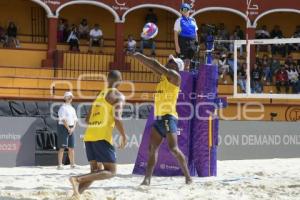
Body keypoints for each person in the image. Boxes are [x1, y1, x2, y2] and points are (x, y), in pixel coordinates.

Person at [132, 52, 192, 186]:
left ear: (177, 67)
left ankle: (188, 176)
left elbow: (154, 64)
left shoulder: (175, 77)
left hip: (169, 116)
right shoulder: (164, 78)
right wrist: (139, 59)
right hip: (158, 117)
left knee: (173, 148)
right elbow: (152, 66)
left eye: (172, 62)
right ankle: (147, 179)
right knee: (152, 149)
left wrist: (139, 56)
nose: (169, 62)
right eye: (169, 61)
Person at [69, 70, 127, 198]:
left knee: (94, 172)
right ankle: (76, 179)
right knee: (111, 171)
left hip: (89, 135)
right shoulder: (118, 96)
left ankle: (75, 195)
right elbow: (117, 118)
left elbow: (87, 119)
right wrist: (124, 135)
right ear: (120, 82)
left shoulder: (100, 94)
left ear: (107, 80)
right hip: (102, 135)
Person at [174, 3, 199, 71]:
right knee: (181, 63)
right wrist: (177, 47)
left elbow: (196, 33)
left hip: (192, 43)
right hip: (183, 43)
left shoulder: (193, 20)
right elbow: (175, 34)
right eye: (183, 9)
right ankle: (180, 80)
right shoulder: (178, 20)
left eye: (186, 9)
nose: (185, 11)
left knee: (188, 63)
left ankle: (186, 80)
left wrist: (197, 44)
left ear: (189, 10)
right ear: (181, 11)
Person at [57, 91, 78, 170]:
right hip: (63, 127)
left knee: (71, 147)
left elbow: (75, 119)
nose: (70, 98)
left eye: (71, 97)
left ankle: (72, 164)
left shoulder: (72, 108)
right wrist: (69, 128)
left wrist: (72, 128)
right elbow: (63, 120)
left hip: (71, 128)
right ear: (65, 98)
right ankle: (60, 164)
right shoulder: (62, 108)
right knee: (62, 147)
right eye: (68, 97)